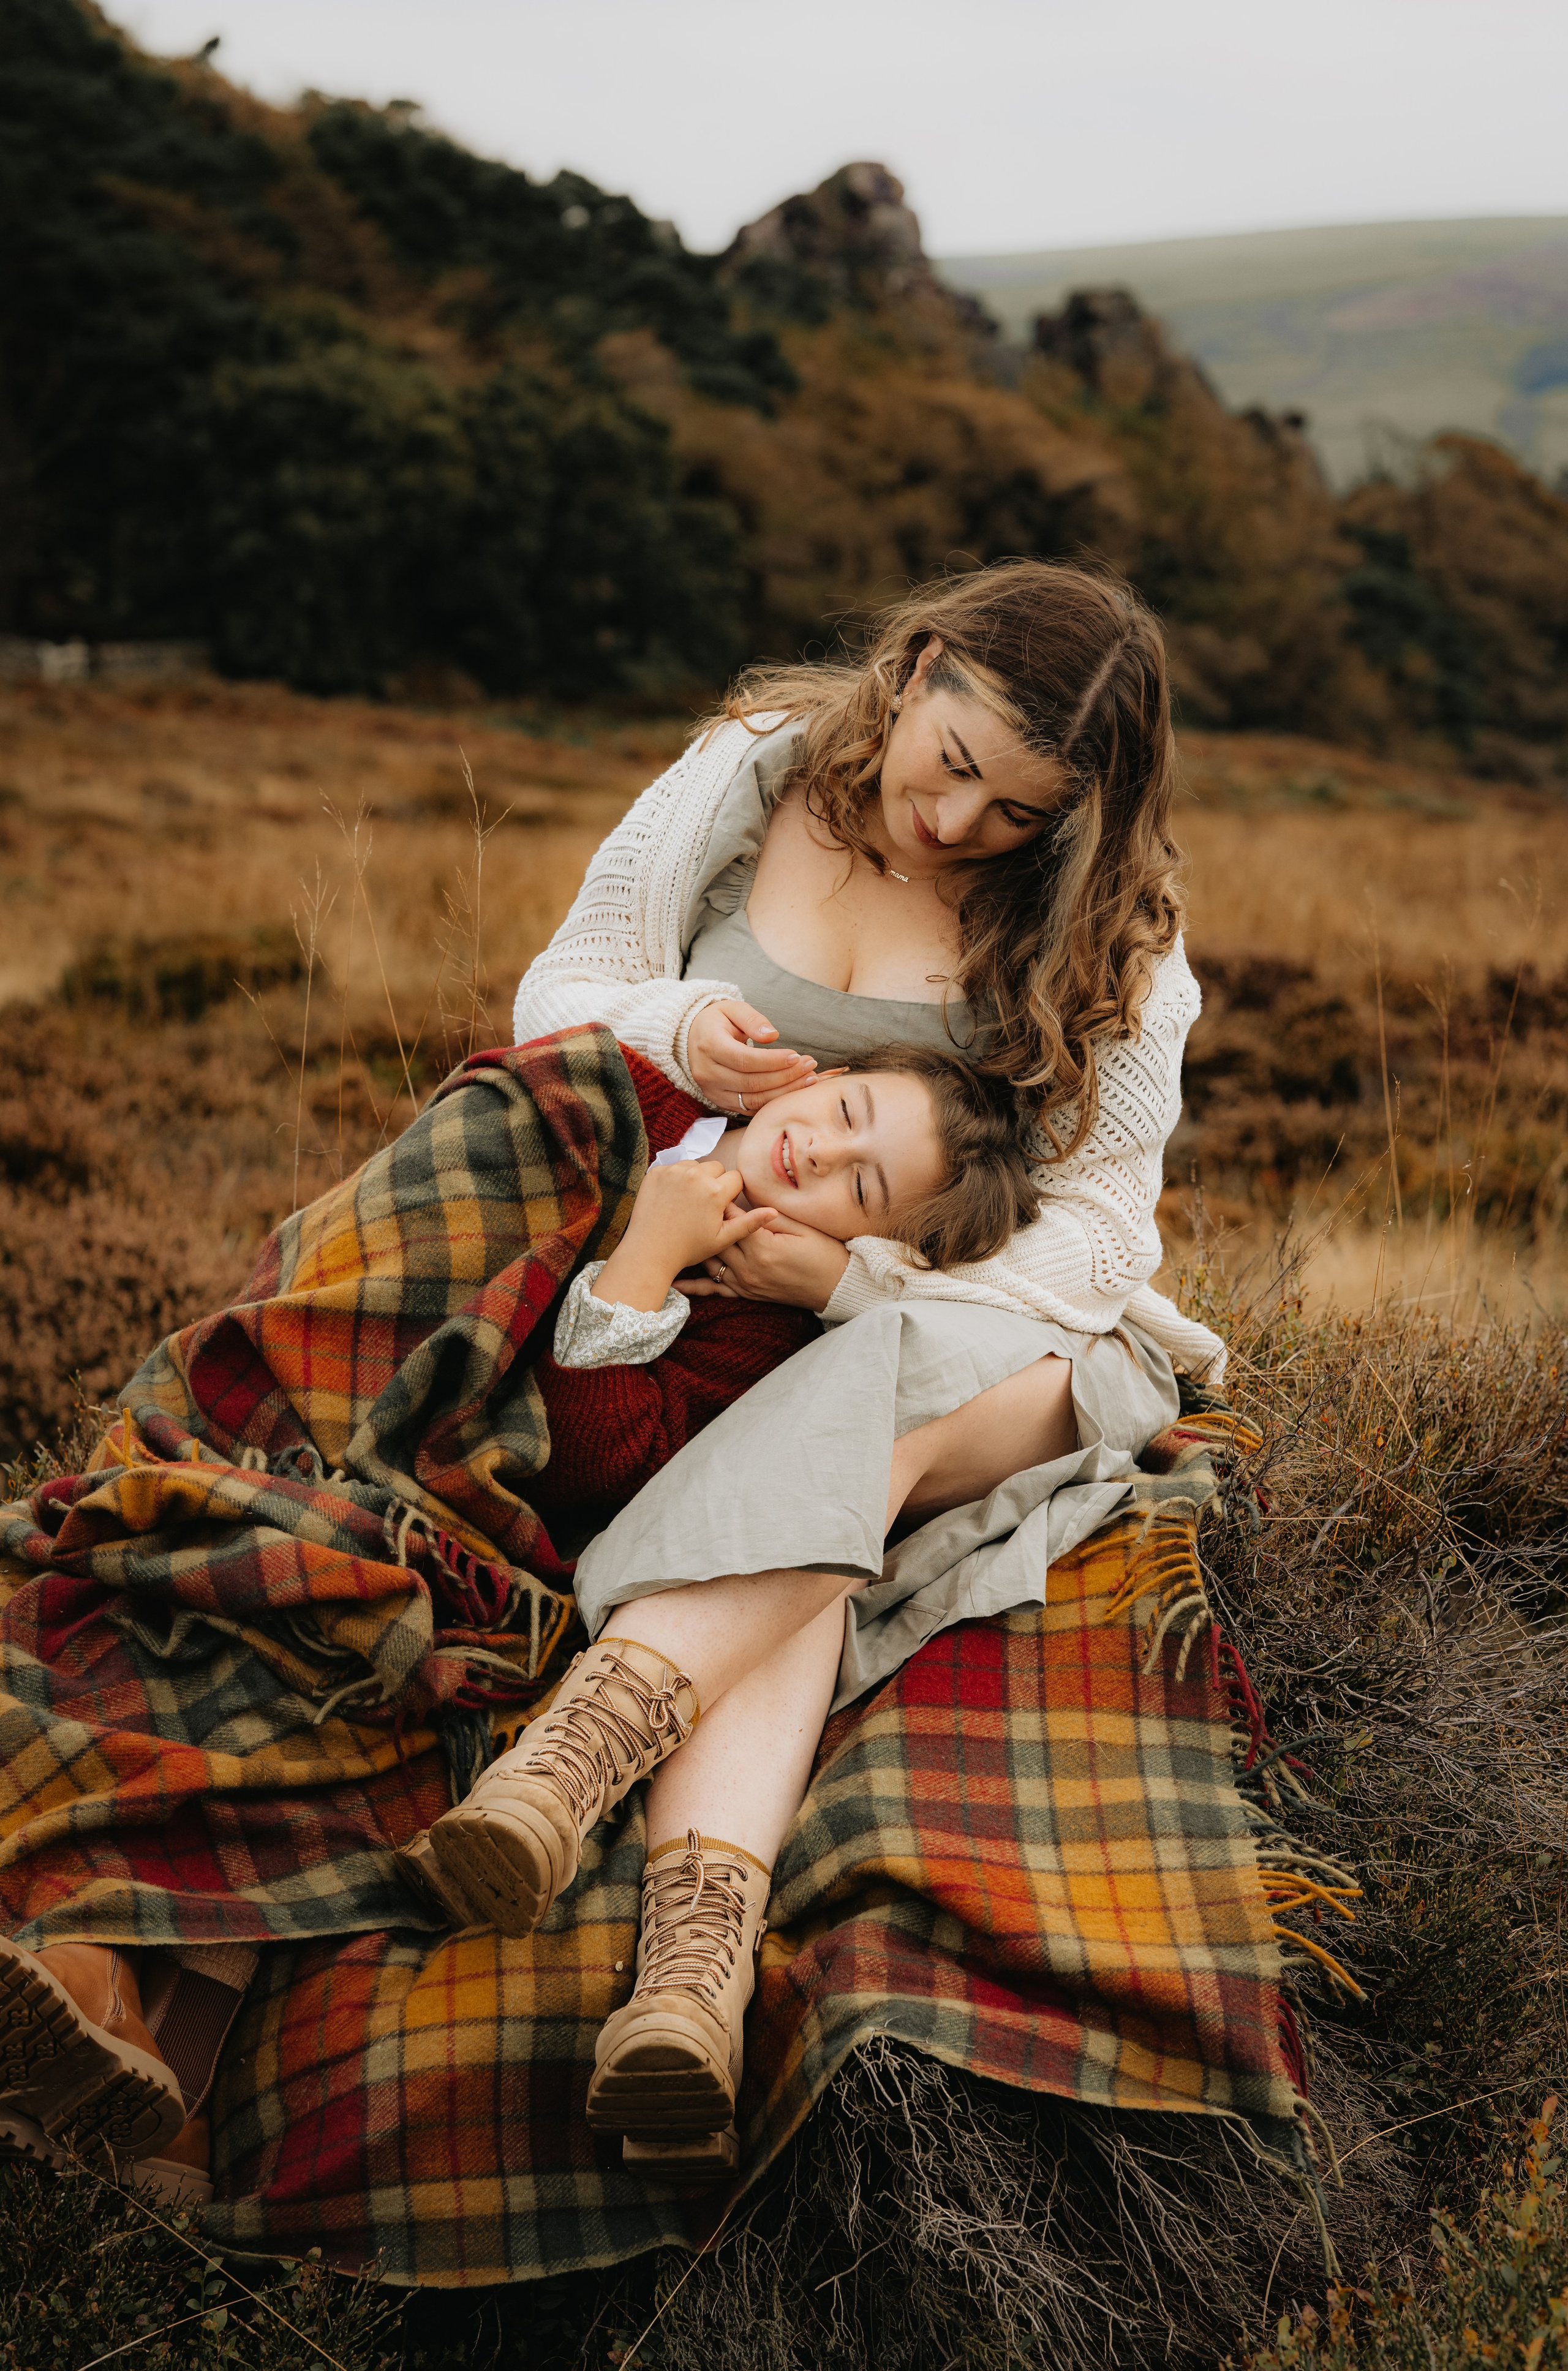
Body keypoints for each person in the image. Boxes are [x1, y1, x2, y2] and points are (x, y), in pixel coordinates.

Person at [424, 560, 1229, 2179]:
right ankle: (689, 1993)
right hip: (734, 1315)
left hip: (991, 1336)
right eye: (951, 768)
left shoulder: (1120, 936)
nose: (957, 826)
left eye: (1017, 812)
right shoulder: (752, 767)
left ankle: (586, 1757)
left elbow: (1096, 1242)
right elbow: (556, 996)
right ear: (918, 667)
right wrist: (674, 1028)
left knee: (885, 1381)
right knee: (824, 1484)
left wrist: (865, 1279)